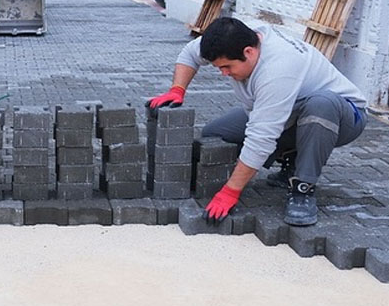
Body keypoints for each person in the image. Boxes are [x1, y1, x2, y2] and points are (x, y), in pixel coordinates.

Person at [147, 17, 367, 227]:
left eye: (227, 67)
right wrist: (177, 90)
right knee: (215, 134)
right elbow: (189, 54)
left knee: (320, 105)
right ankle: (291, 156)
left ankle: (303, 188)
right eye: (218, 68)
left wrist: (231, 191)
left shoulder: (278, 69)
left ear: (249, 53)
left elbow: (261, 137)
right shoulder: (235, 35)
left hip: (344, 117)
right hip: (289, 111)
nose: (223, 74)